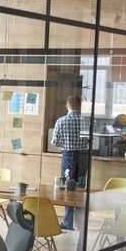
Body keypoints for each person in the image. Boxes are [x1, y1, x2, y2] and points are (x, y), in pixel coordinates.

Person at [51, 95, 89, 230]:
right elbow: (91, 140)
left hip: (68, 156)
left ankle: (68, 222)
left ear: (67, 106)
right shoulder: (86, 121)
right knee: (80, 188)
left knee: (67, 188)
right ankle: (80, 223)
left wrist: (66, 144)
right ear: (80, 106)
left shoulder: (61, 121)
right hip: (83, 157)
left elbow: (54, 142)